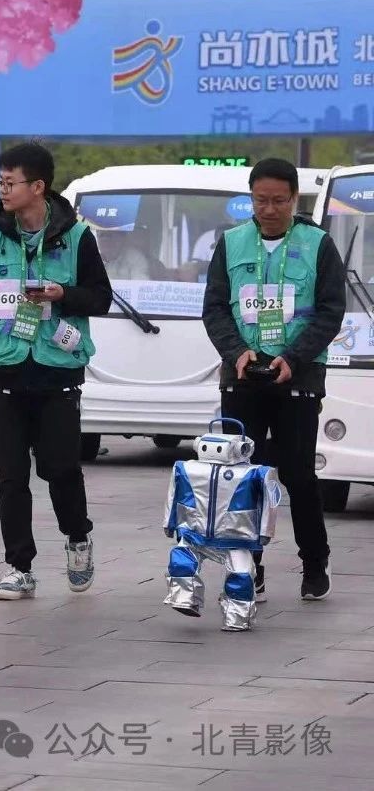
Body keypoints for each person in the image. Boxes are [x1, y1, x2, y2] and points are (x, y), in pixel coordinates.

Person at [0, 142, 112, 601]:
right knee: (9, 473)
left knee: (59, 467)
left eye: (10, 183)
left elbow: (100, 298)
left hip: (56, 369)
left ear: (37, 187)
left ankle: (77, 535)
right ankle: (18, 565)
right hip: (5, 367)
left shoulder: (78, 236)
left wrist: (61, 293)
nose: (3, 190)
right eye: (0, 182)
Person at [201, 157, 345, 601]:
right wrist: (236, 352)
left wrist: (293, 357)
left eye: (278, 200)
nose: (268, 209)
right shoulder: (231, 243)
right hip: (242, 376)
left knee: (299, 474)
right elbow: (215, 308)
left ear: (294, 199)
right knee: (244, 476)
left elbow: (329, 311)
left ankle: (314, 564)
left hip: (297, 378)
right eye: (260, 200)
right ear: (250, 199)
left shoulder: (319, 245)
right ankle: (248, 568)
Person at [161, 419, 281, 631]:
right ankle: (184, 598)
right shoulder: (186, 468)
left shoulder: (256, 473)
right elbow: (173, 493)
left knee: (241, 575)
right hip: (194, 533)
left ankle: (238, 617)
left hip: (236, 537)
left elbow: (270, 502)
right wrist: (169, 522)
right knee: (181, 563)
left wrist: (265, 531)